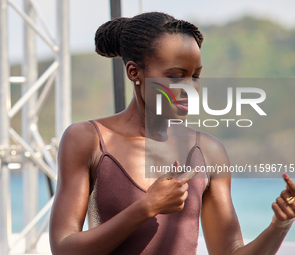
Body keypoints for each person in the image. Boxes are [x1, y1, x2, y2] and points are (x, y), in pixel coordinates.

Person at [49, 12, 295, 255]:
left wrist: (280, 225)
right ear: (134, 73)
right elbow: (63, 249)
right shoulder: (88, 140)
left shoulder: (208, 152)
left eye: (195, 76)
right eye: (175, 76)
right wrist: (146, 207)